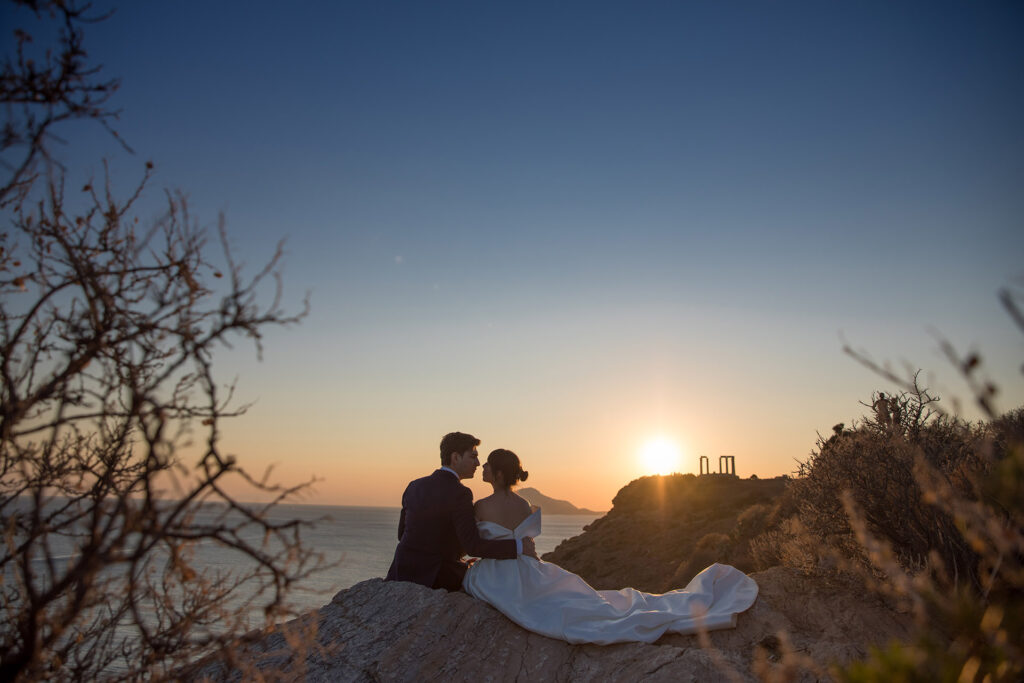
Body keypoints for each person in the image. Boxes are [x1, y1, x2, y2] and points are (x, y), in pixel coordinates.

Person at [462, 449, 759, 645]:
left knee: (556, 610)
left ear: (498, 474)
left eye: (486, 464)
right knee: (575, 601)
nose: (483, 468)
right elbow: (525, 545)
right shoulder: (525, 504)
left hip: (499, 574)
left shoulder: (481, 506)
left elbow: (477, 544)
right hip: (528, 567)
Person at [385, 432, 537, 592]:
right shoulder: (460, 493)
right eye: (473, 456)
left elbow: (402, 535)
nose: (478, 463)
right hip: (435, 577)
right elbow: (473, 546)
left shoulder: (414, 486)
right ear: (456, 457)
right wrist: (519, 547)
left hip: (400, 571)